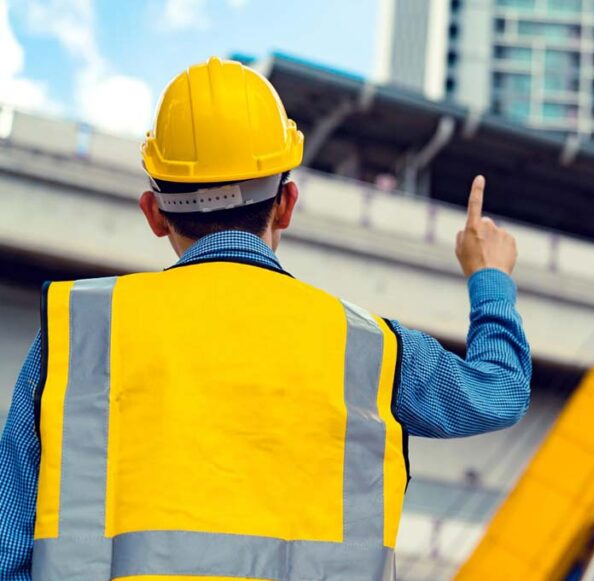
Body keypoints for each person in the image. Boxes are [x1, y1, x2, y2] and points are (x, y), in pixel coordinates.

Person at [0, 57, 531, 581]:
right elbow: (498, 393)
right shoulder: (369, 348)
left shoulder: (79, 333)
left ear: (154, 213)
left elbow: (9, 552)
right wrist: (490, 277)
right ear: (287, 204)